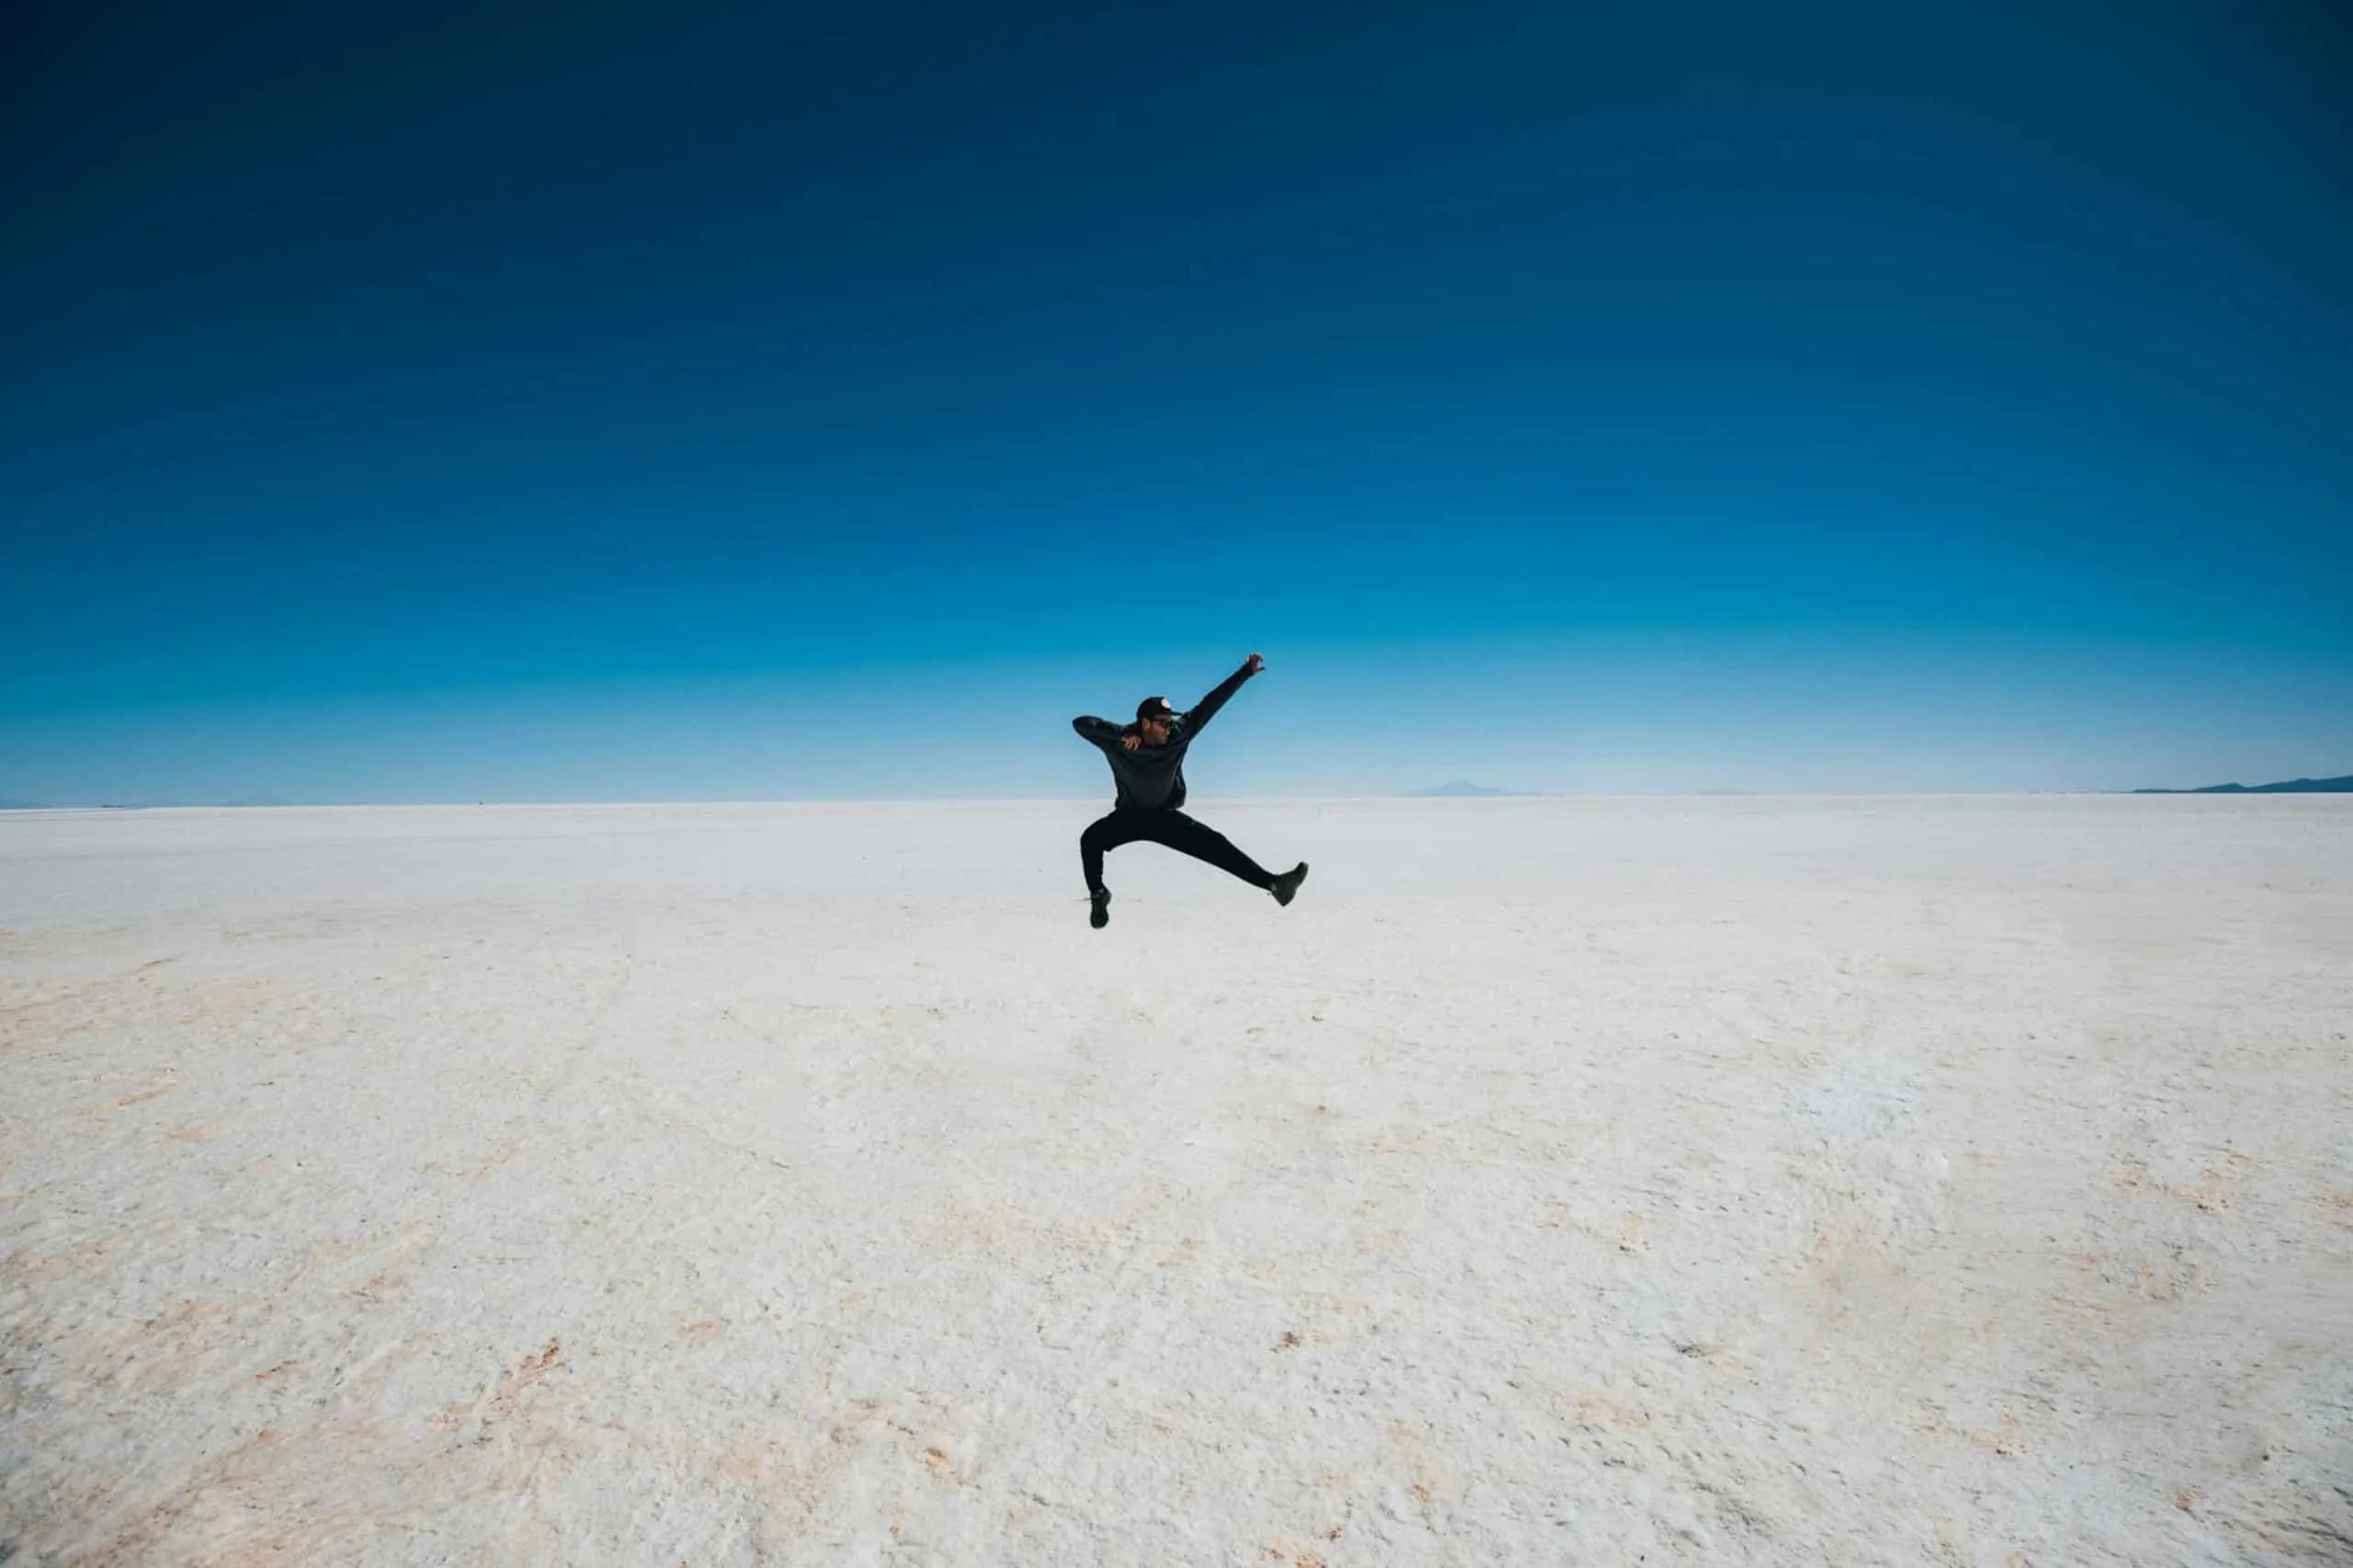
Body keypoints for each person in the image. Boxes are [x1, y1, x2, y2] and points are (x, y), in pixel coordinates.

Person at [1070, 651, 1308, 928]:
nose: (1169, 727)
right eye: (1162, 723)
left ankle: (1275, 885)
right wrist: (1120, 735)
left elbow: (1211, 703)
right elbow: (1081, 724)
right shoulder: (1121, 740)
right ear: (1144, 723)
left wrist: (1245, 672)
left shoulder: (1180, 733)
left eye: (1170, 721)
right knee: (1091, 839)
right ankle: (1099, 895)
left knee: (1215, 844)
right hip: (1129, 817)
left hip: (1163, 817)